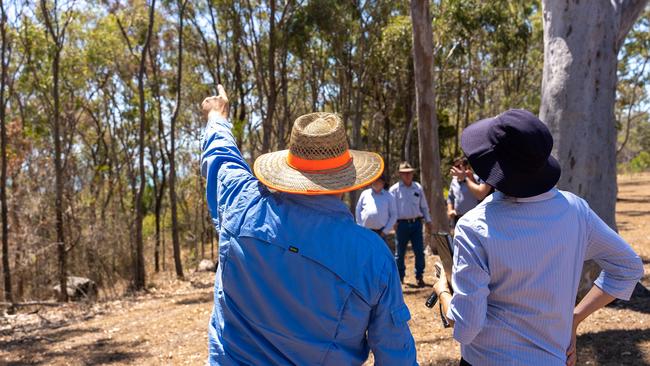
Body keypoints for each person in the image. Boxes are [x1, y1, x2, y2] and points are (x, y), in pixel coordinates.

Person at [201, 86, 416, 365]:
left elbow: (221, 157)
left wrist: (216, 115)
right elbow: (395, 355)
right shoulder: (370, 256)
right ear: (346, 178)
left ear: (289, 169)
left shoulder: (241, 204)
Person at [431, 109, 644, 366]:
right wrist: (573, 319)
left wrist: (443, 290)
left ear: (493, 166)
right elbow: (628, 267)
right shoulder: (576, 210)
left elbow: (466, 327)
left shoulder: (474, 226)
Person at [389, 162, 433, 287]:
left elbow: (424, 206)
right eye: (405, 173)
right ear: (400, 175)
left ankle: (419, 276)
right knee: (400, 253)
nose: (408, 175)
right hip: (401, 225)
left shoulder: (417, 187)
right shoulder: (394, 190)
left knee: (419, 251)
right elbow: (391, 209)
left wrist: (428, 221)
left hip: (416, 224)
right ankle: (400, 278)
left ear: (413, 173)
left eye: (409, 173)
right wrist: (393, 222)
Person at [355, 174, 397, 245]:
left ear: (383, 183)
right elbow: (358, 210)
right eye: (374, 180)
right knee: (366, 253)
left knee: (380, 254)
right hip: (366, 232)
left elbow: (394, 215)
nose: (376, 182)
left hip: (381, 233)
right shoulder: (364, 194)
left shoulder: (389, 196)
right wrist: (360, 226)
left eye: (378, 180)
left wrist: (385, 231)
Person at [446, 157, 488, 228]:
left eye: (459, 166)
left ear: (465, 166)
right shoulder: (454, 181)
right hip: (458, 218)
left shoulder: (476, 178)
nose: (457, 169)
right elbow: (450, 198)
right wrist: (450, 211)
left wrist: (467, 178)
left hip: (475, 218)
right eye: (455, 166)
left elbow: (481, 195)